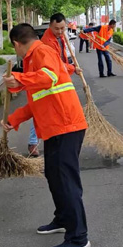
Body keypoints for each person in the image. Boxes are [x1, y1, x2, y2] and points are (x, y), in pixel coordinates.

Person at [2, 23, 91, 247]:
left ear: (16, 44)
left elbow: (48, 77)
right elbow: (38, 100)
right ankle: (62, 218)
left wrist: (19, 78)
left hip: (66, 126)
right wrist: (13, 119)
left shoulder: (42, 52)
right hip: (54, 128)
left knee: (66, 181)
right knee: (53, 175)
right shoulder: (33, 59)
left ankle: (78, 237)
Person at [22, 13, 81, 157]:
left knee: (49, 108)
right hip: (47, 80)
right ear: (50, 26)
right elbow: (56, 65)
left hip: (56, 77)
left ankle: (52, 135)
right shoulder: (47, 42)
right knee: (40, 108)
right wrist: (72, 68)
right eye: (57, 28)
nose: (60, 31)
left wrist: (70, 67)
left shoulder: (60, 37)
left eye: (62, 28)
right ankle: (33, 142)